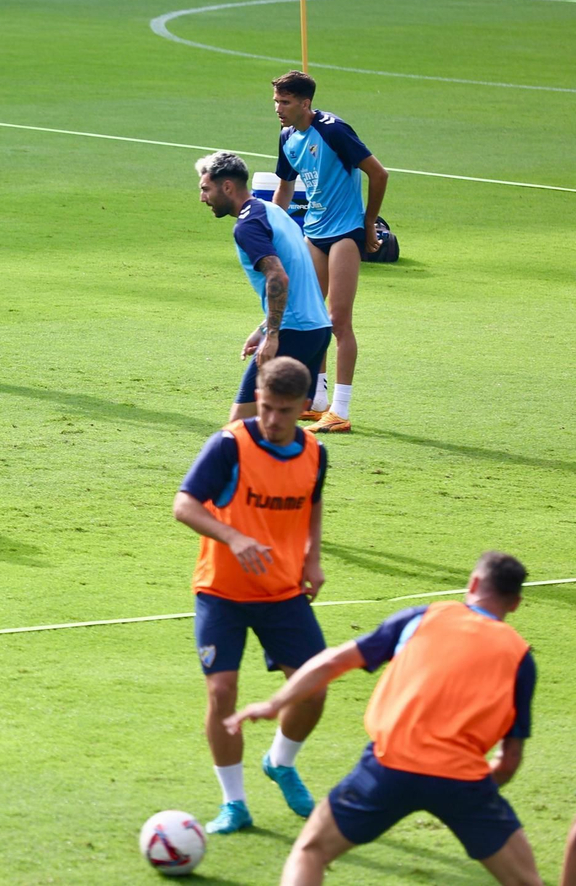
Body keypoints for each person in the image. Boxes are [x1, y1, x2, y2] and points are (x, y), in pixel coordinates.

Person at [227, 551, 542, 886]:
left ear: (474, 582)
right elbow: (508, 761)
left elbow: (332, 661)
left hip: (388, 768)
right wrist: (469, 795)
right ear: (516, 603)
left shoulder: (423, 617)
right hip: (463, 780)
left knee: (310, 851)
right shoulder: (521, 657)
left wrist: (276, 703)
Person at [173, 356, 328, 836]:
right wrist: (234, 538)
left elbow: (313, 501)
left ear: (304, 407)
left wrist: (312, 557)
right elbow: (183, 505)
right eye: (264, 407)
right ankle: (234, 803)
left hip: (282, 590)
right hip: (221, 589)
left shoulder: (315, 452)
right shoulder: (228, 445)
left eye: (283, 410)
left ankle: (280, 761)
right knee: (222, 693)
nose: (271, 420)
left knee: (314, 689)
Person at [271, 71, 390, 433]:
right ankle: (318, 400)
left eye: (285, 102)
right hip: (314, 231)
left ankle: (340, 410)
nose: (278, 108)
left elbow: (379, 174)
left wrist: (369, 224)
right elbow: (284, 190)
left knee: (338, 321)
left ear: (305, 103)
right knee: (311, 319)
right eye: (276, 101)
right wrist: (271, 234)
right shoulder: (288, 137)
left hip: (346, 233)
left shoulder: (334, 131)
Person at [198, 150, 333, 424]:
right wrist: (262, 329)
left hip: (293, 332)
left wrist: (272, 335)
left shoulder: (247, 226)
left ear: (227, 186)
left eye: (206, 189)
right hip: (317, 330)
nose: (202, 198)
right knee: (276, 427)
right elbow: (295, 277)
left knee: (238, 428)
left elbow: (278, 278)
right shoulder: (273, 211)